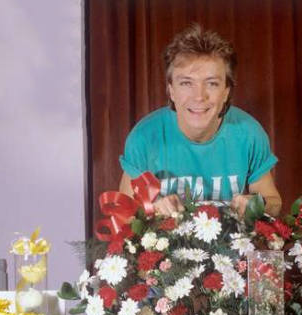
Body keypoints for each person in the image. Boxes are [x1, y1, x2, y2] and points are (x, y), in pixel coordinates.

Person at [119, 23, 282, 217]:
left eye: (212, 83)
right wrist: (152, 210)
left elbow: (274, 202)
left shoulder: (248, 132)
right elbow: (123, 214)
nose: (199, 96)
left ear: (226, 92)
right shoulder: (145, 137)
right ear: (171, 90)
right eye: (186, 83)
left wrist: (256, 204)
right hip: (164, 246)